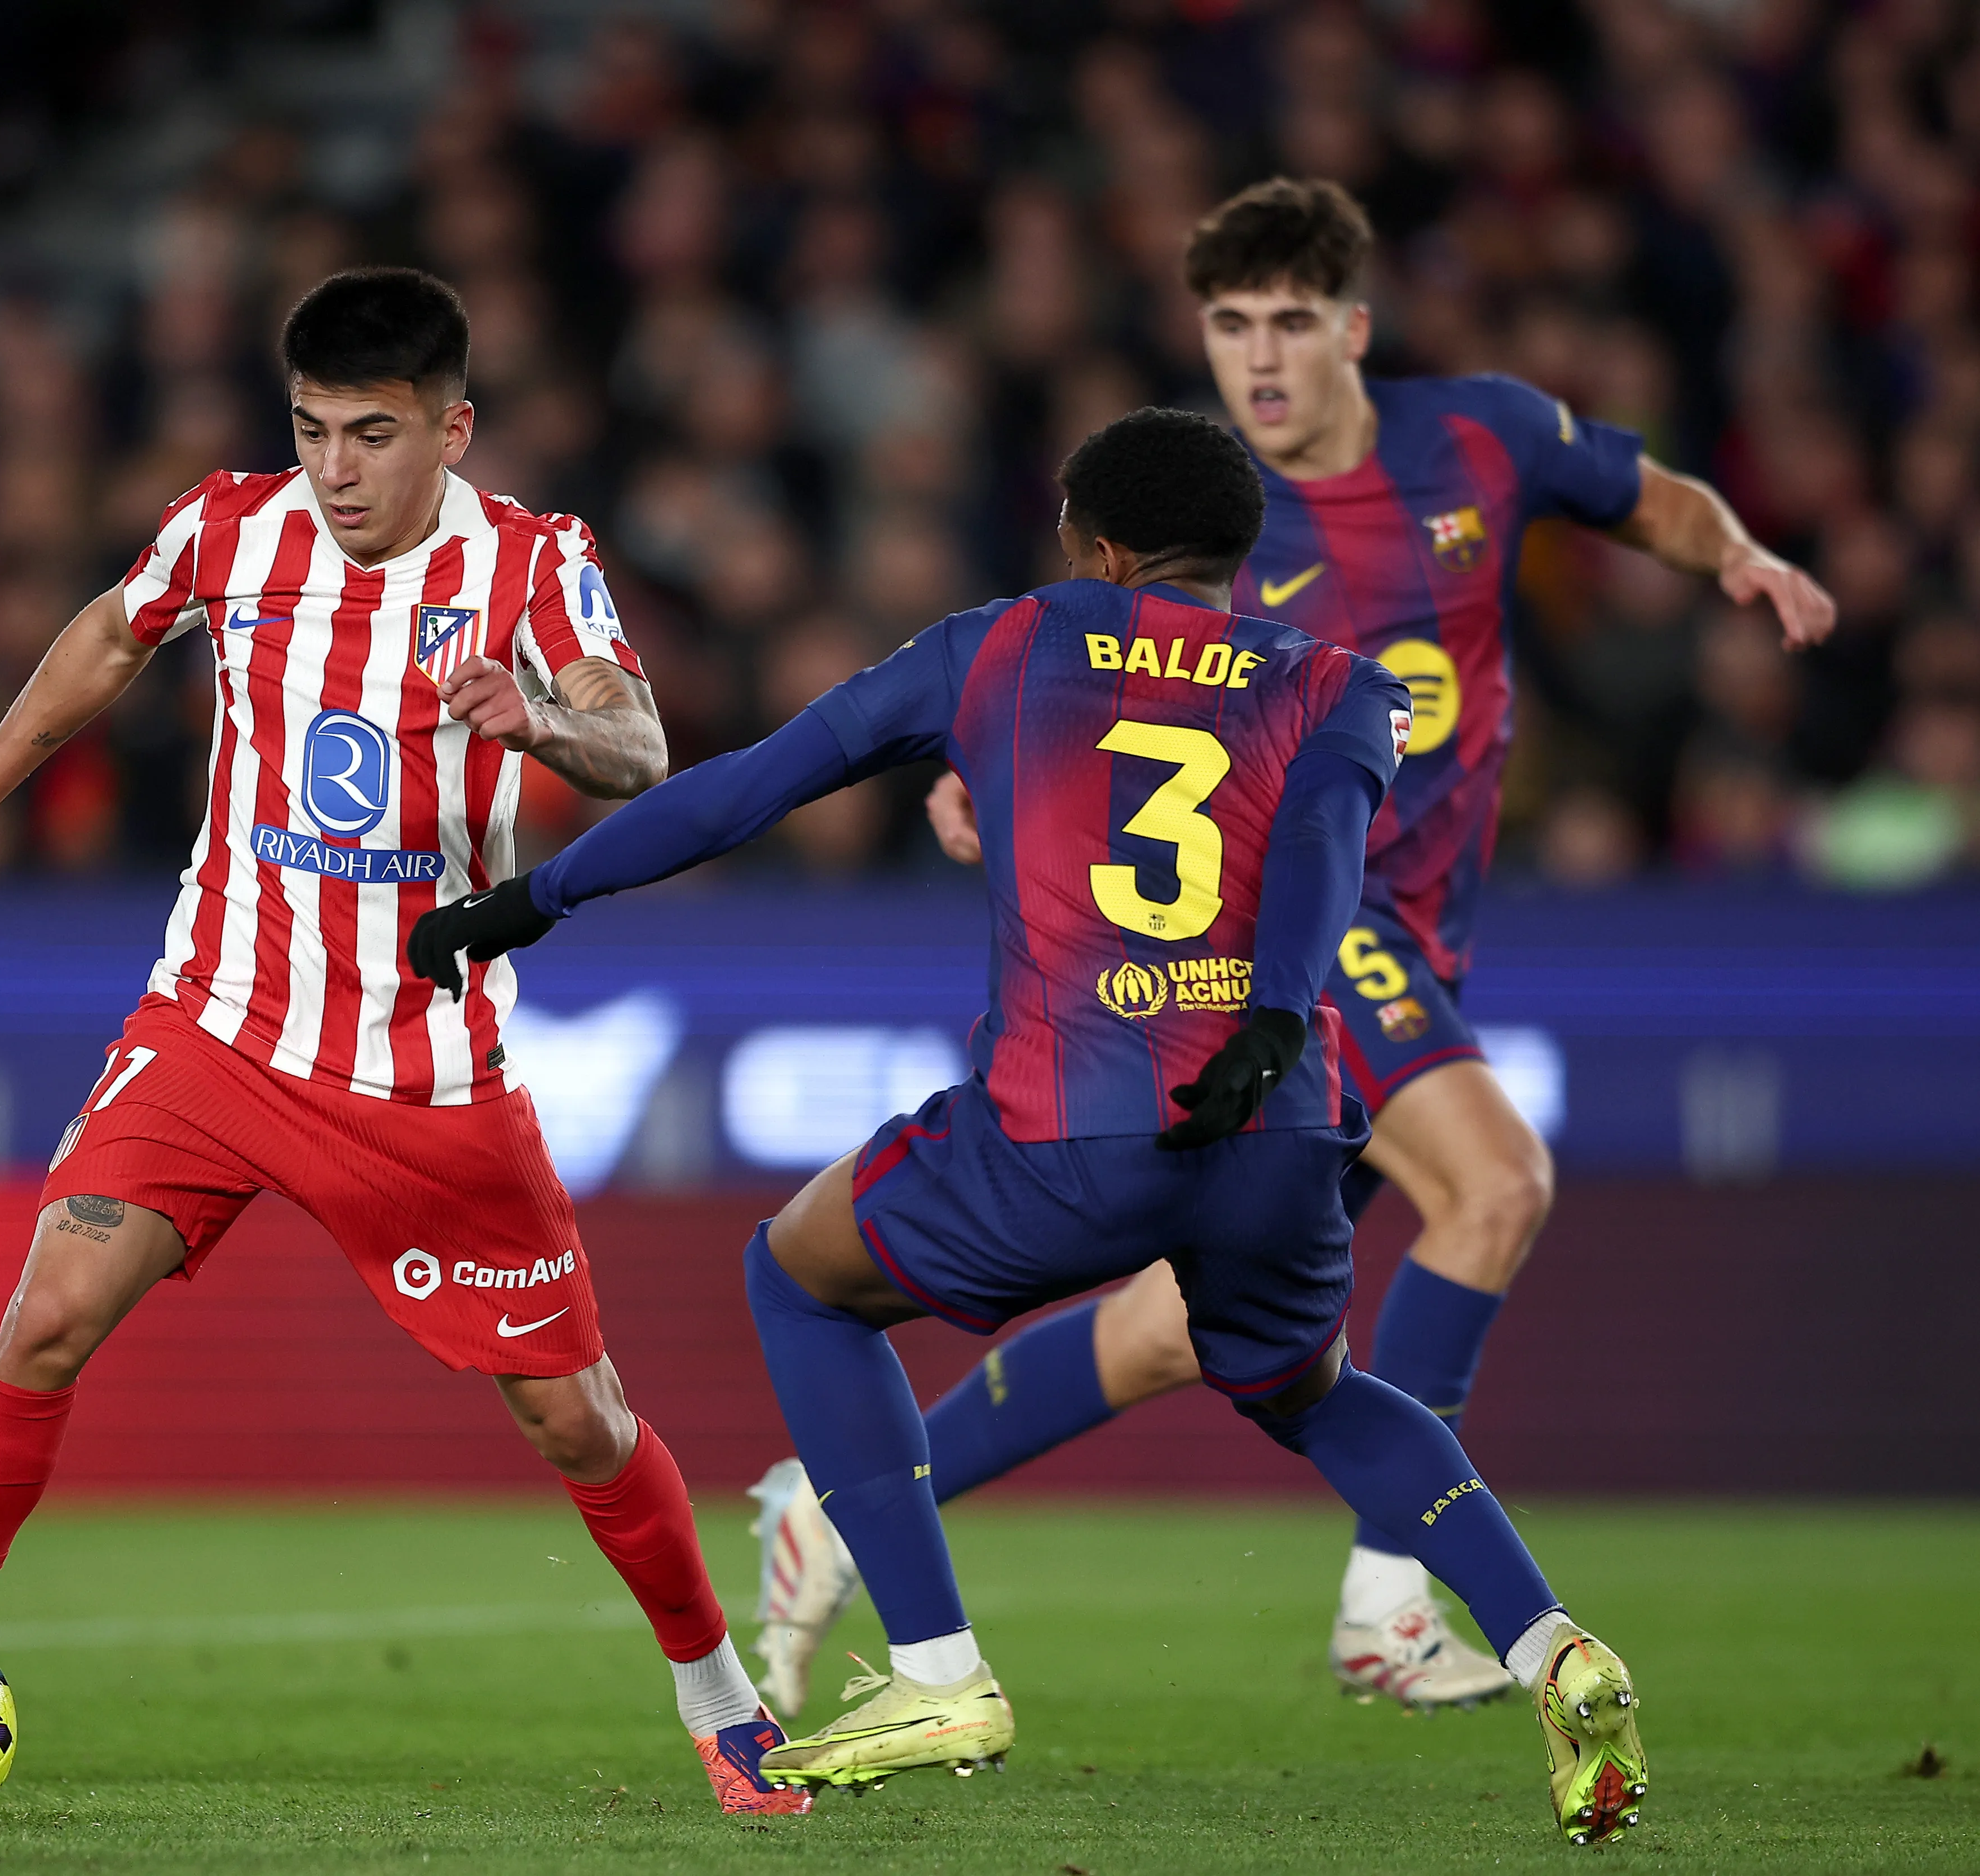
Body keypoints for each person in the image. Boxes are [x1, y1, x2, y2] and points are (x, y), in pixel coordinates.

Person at [406, 408, 1649, 1844]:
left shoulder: (998, 643)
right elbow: (1319, 845)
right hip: (1277, 1127)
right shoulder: (1340, 683)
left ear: (1098, 548)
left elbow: (744, 792)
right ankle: (1552, 1643)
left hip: (1065, 1131)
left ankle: (936, 1669)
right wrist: (1267, 1016)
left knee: (797, 1272)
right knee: (1318, 1395)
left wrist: (530, 902)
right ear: (1241, 555)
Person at [750, 176, 1838, 1715]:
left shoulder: (1483, 437)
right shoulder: (1204, 535)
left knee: (1171, 1331)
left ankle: (844, 1503)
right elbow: (1053, 678)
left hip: (1429, 928)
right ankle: (1391, 1606)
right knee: (1496, 1178)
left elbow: (1645, 494)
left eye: (1287, 323)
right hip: (1295, 944)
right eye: (1229, 325)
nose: (1257, 358)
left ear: (1354, 330)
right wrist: (965, 776)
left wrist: (1734, 558)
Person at [0, 268, 810, 1818]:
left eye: (373, 436)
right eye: (313, 430)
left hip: (421, 1071)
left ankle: (721, 1698)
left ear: (452, 428)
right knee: (46, 1310)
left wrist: (538, 722)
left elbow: (640, 739)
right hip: (217, 1026)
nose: (335, 470)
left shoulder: (533, 561)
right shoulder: (230, 528)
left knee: (576, 1413)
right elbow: (113, 636)